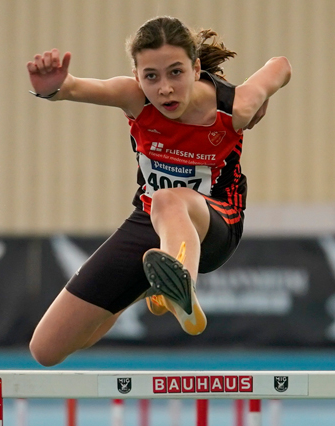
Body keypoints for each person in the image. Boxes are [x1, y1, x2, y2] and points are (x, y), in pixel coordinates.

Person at [27, 16, 291, 366]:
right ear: (137, 77)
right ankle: (155, 285)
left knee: (170, 198)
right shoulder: (133, 98)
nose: (164, 88)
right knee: (45, 349)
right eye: (151, 76)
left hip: (215, 226)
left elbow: (281, 65)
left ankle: (180, 286)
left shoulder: (231, 107)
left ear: (196, 69)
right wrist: (51, 86)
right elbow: (72, 88)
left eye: (176, 72)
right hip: (151, 222)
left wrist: (261, 93)